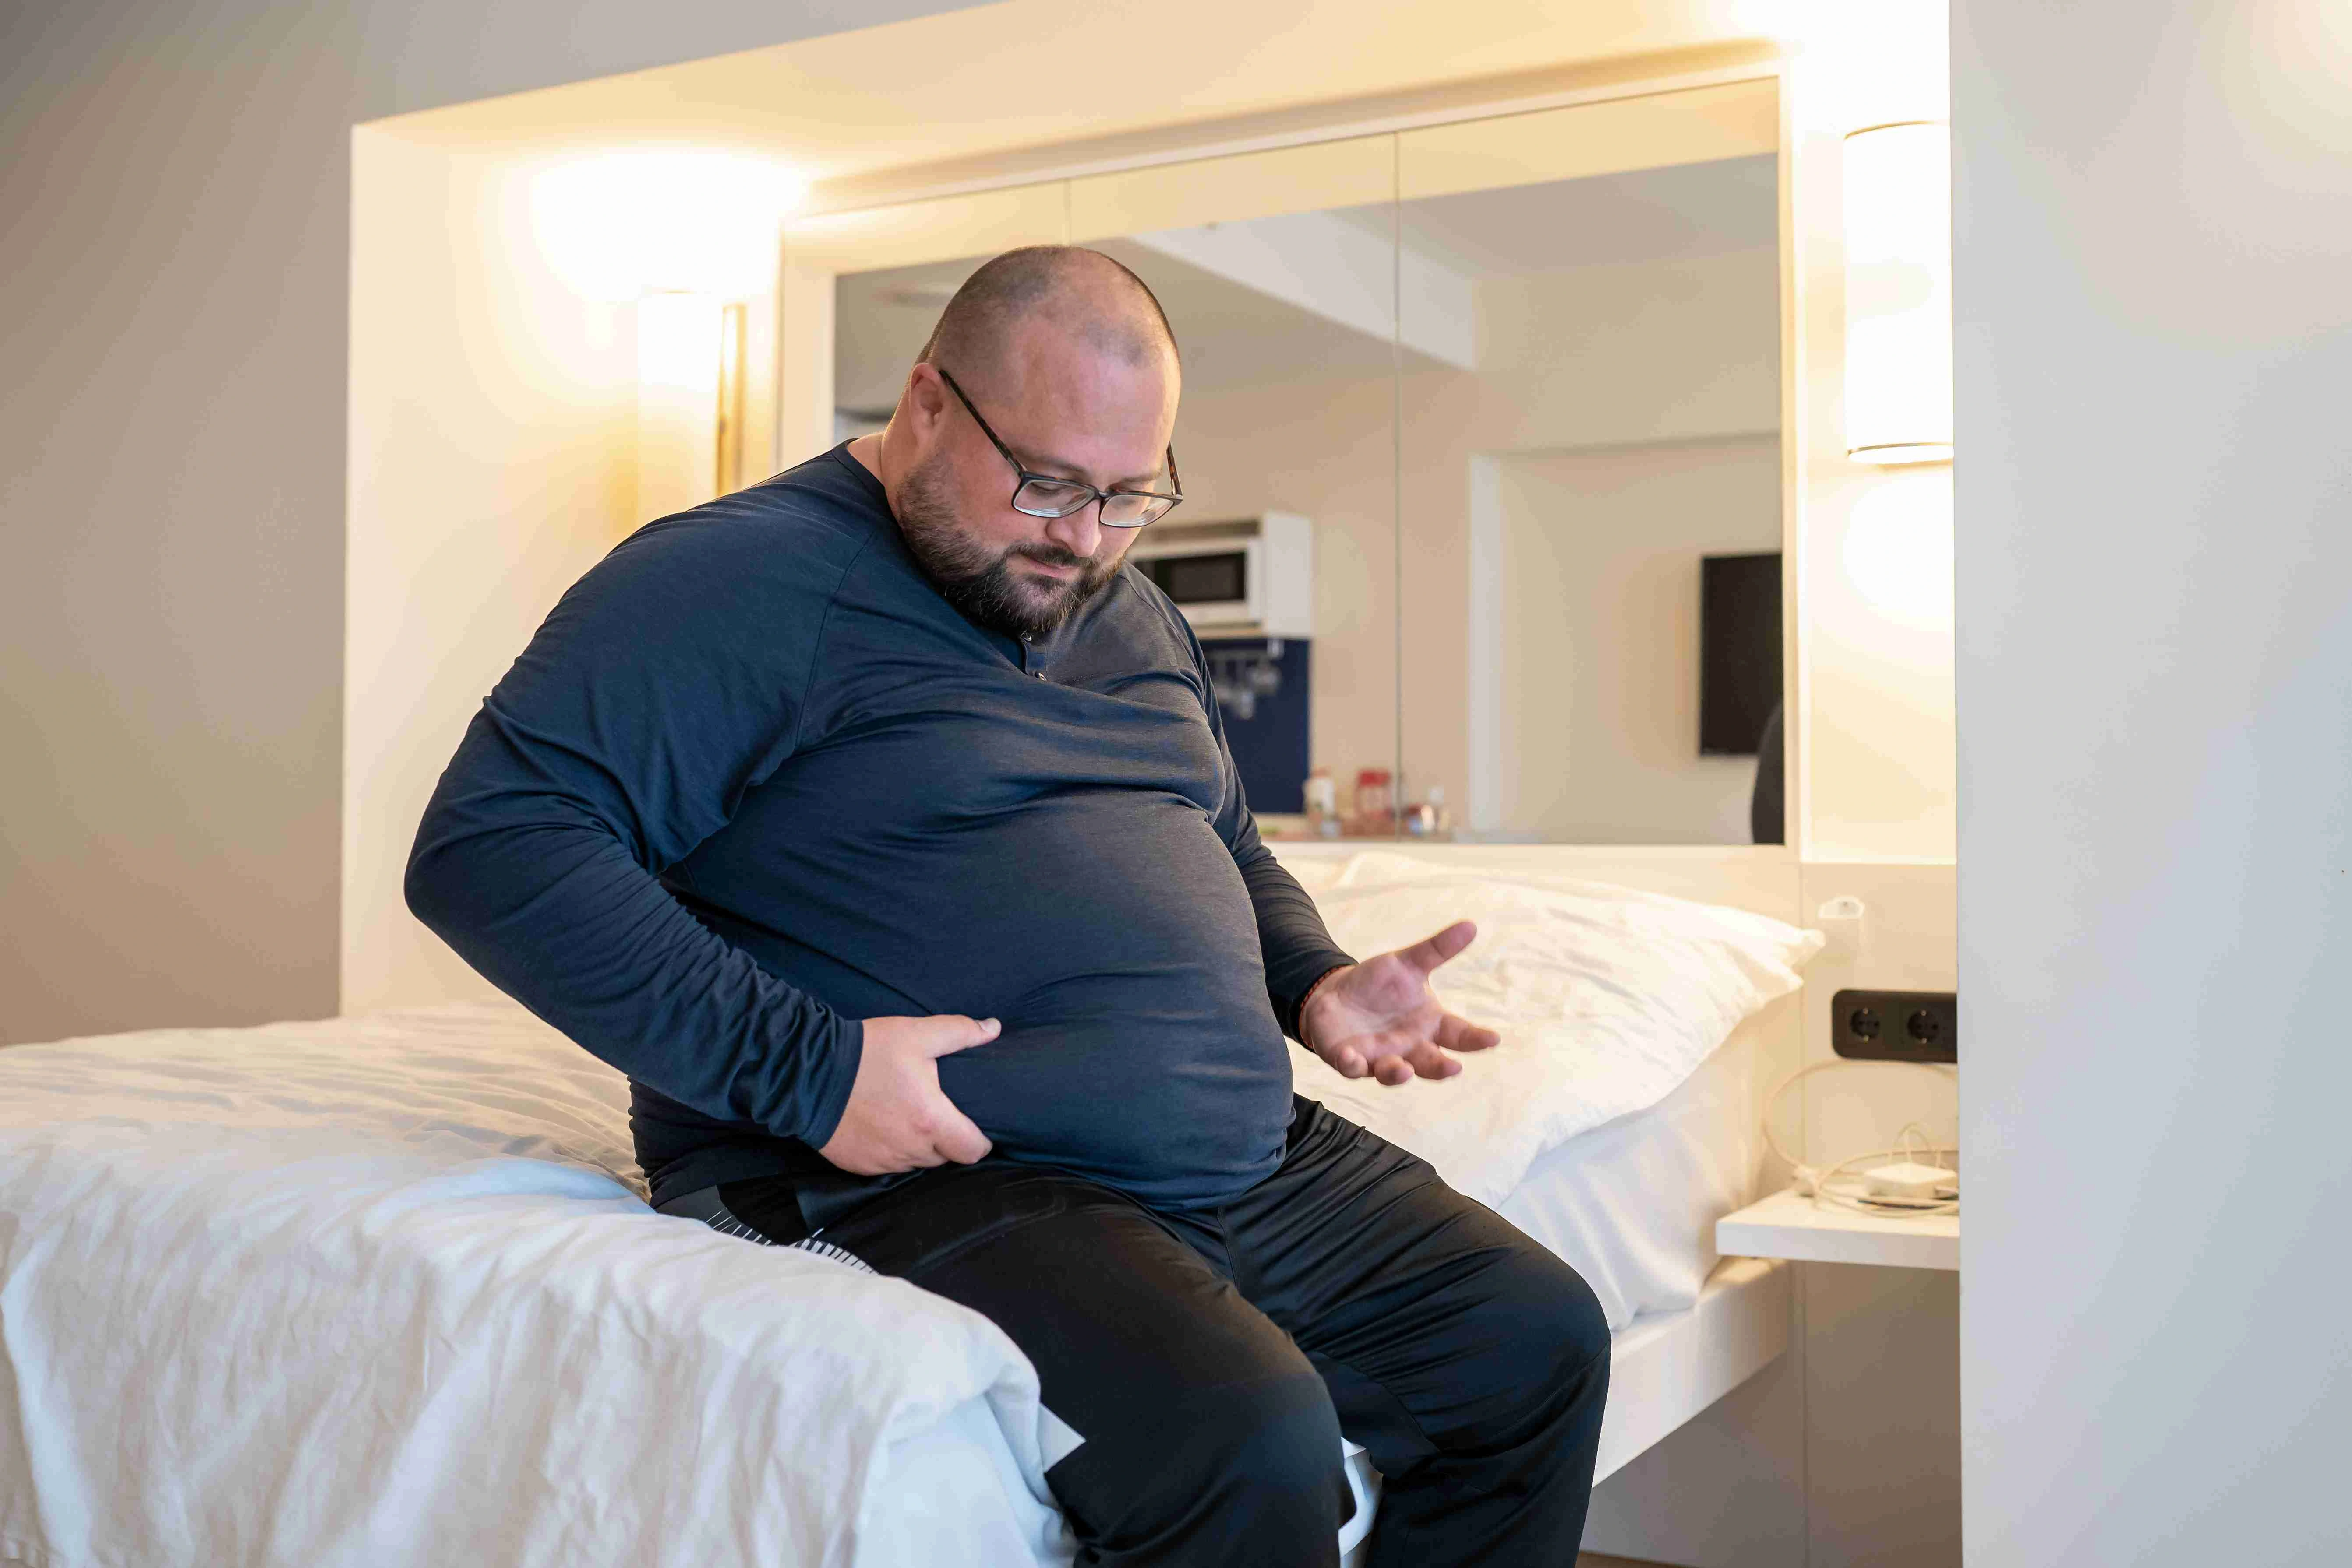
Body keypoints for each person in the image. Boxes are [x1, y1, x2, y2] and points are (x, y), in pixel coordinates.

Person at [406, 246, 1608, 1567]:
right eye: (1046, 482)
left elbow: (1211, 830)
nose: (1084, 538)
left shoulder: (1129, 608)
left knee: (1535, 1340)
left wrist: (1309, 977)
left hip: (1231, 1160)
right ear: (927, 401)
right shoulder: (736, 579)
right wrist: (811, 1072)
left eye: (1128, 495)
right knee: (1248, 1435)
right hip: (919, 1169)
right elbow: (493, 842)